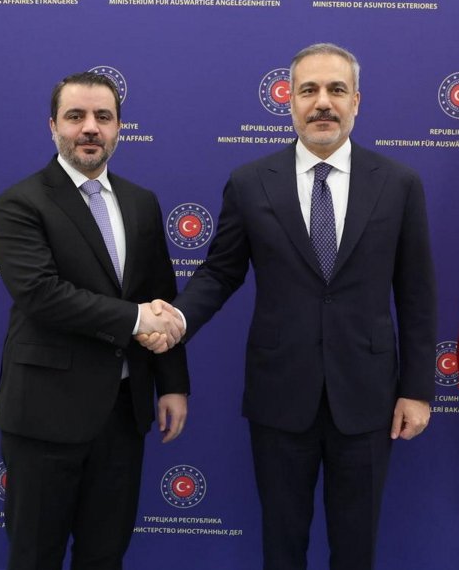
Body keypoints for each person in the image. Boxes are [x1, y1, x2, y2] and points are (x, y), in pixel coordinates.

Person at [151, 43, 437, 569]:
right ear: (289, 101)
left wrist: (417, 390)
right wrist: (179, 318)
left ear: (357, 101)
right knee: (282, 546)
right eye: (309, 90)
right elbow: (219, 272)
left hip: (368, 399)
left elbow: (417, 295)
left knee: (357, 550)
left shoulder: (399, 184)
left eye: (336, 90)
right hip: (281, 396)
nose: (322, 102)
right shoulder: (250, 182)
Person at [0, 71, 189, 570]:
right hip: (44, 417)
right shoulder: (21, 202)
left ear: (120, 127)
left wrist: (172, 385)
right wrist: (137, 317)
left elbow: (161, 295)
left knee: (106, 555)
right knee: (35, 556)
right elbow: (42, 295)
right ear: (52, 125)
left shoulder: (141, 202)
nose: (90, 128)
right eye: (75, 116)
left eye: (103, 116)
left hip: (123, 415)